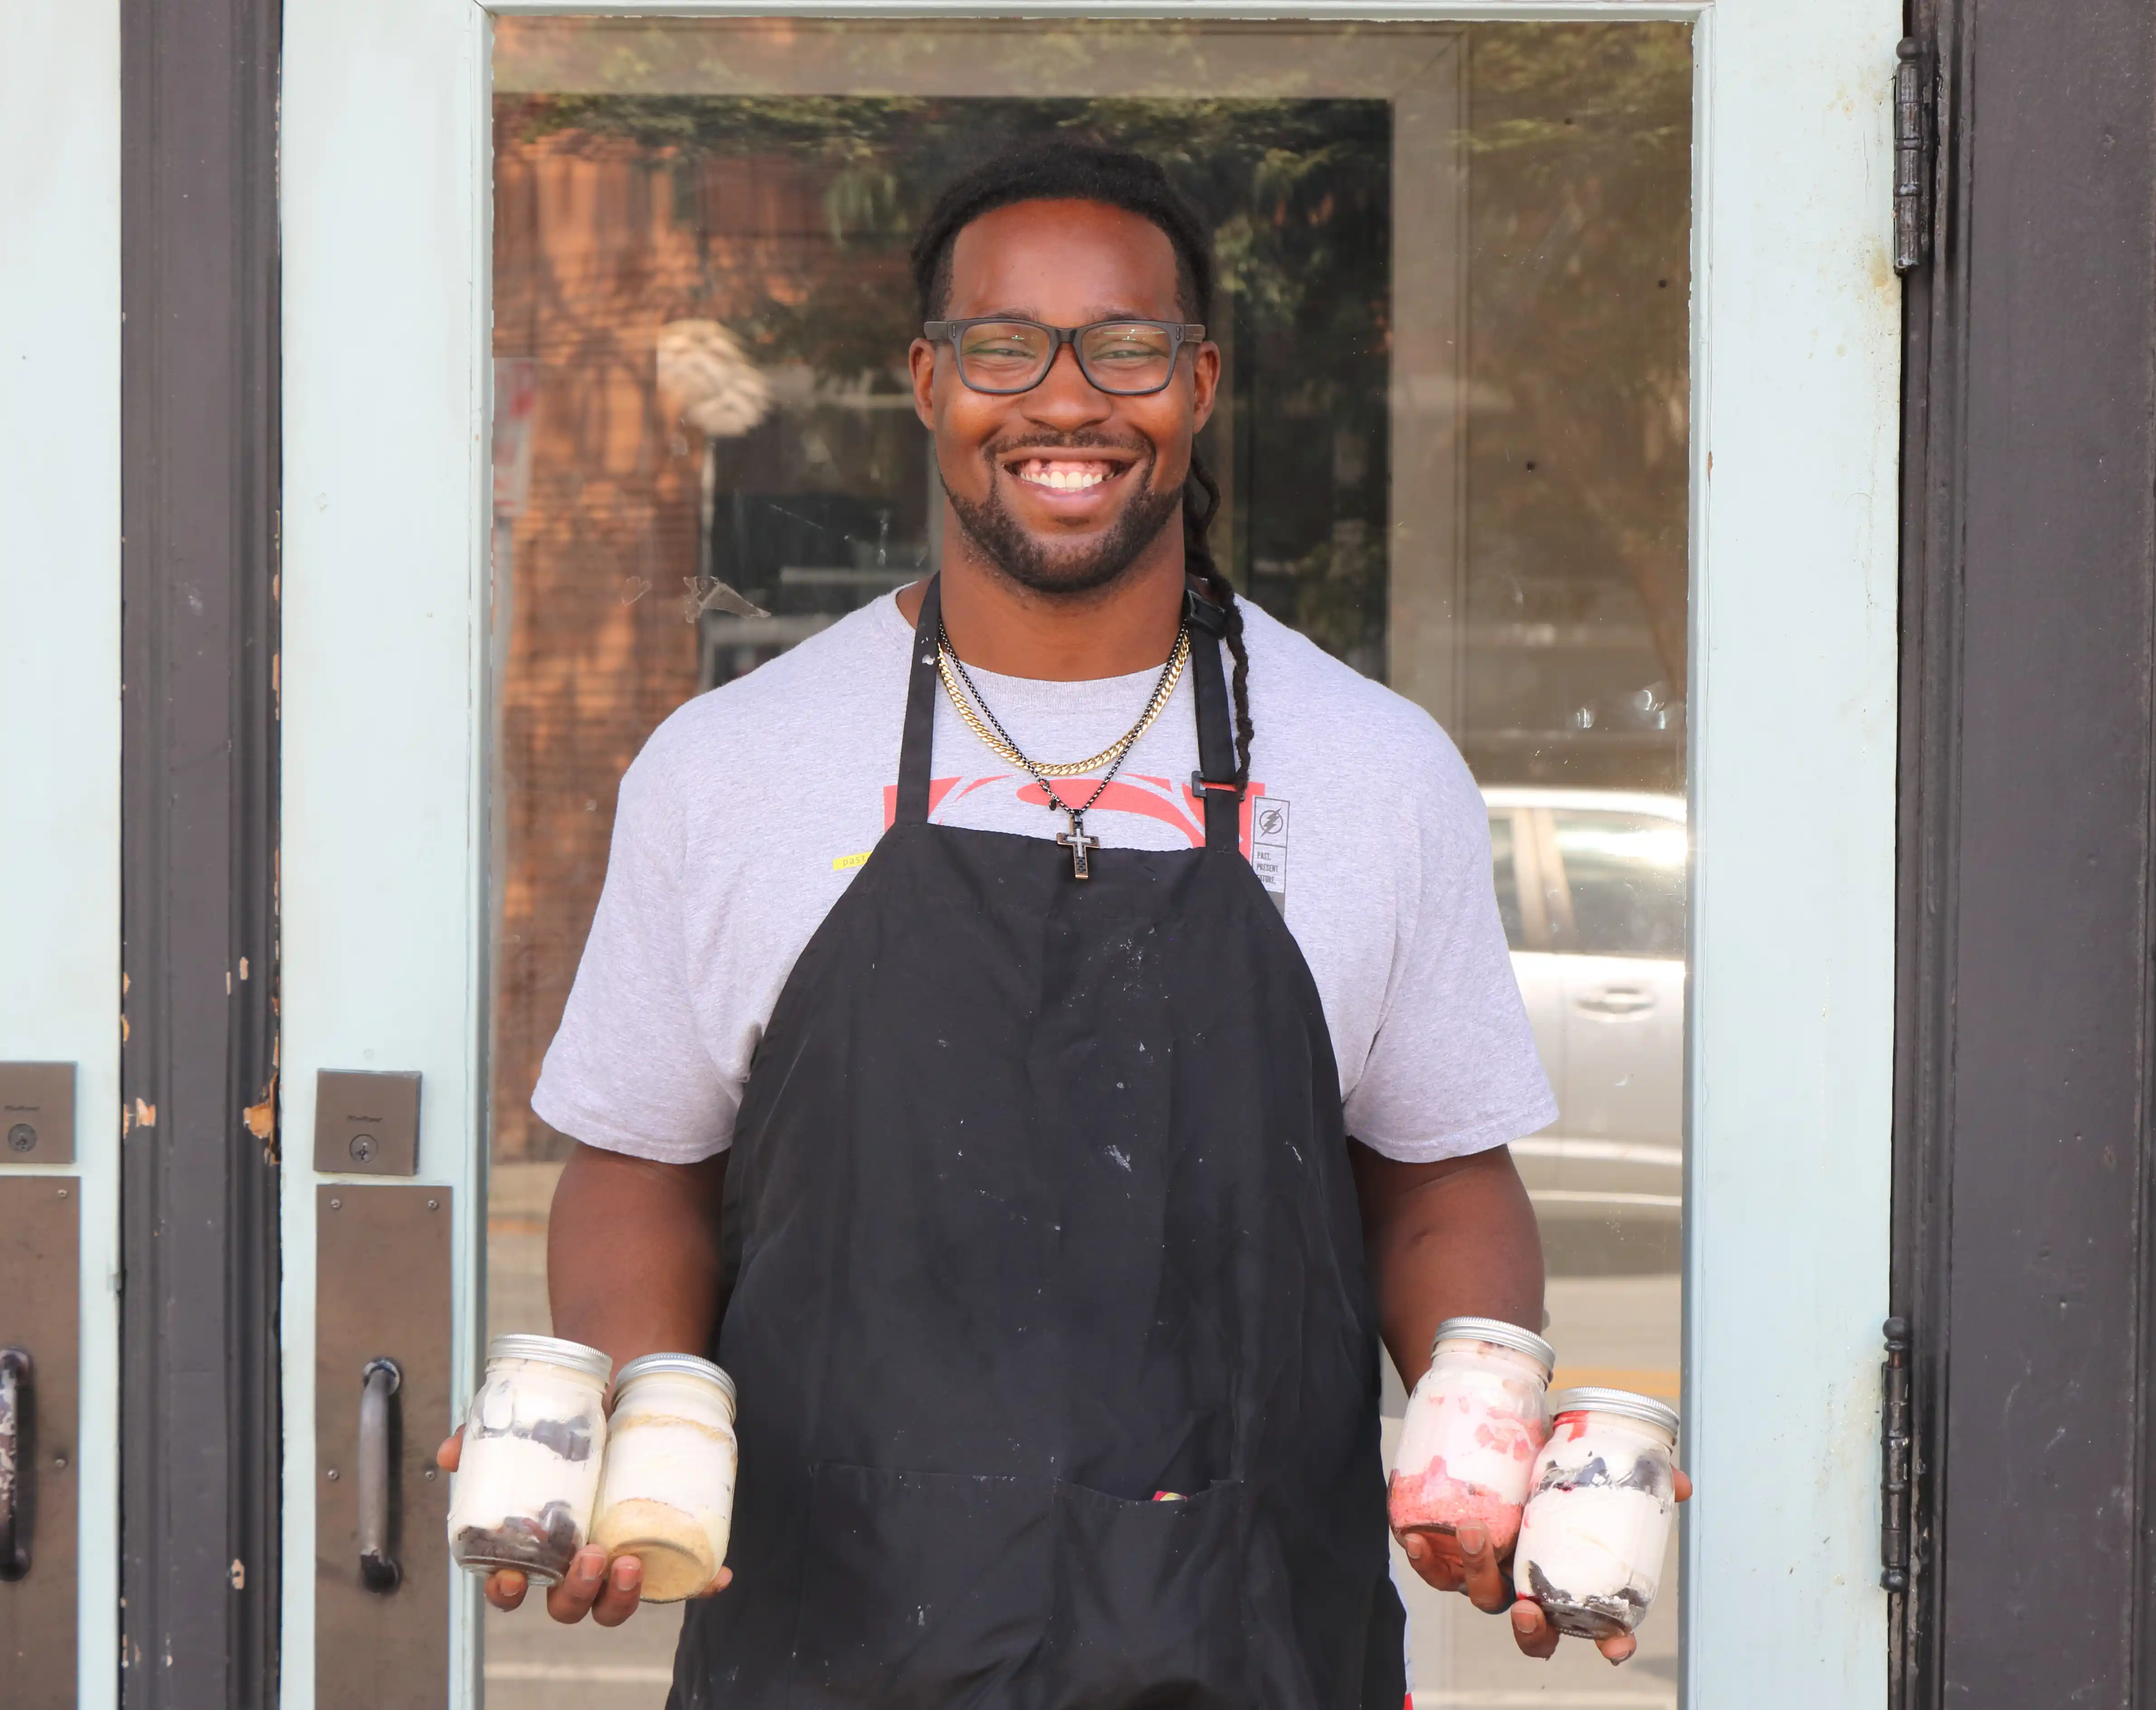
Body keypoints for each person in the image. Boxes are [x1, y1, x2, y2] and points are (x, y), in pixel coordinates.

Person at [440, 139, 1685, 1704]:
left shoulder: (1375, 769)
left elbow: (1438, 1188)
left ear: (1202, 382)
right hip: (827, 1642)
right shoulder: (735, 766)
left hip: (1249, 1639)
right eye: (1005, 346)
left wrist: (1489, 1443)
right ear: (927, 380)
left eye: (1128, 346)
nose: (1066, 399)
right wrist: (629, 1430)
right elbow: (638, 1172)